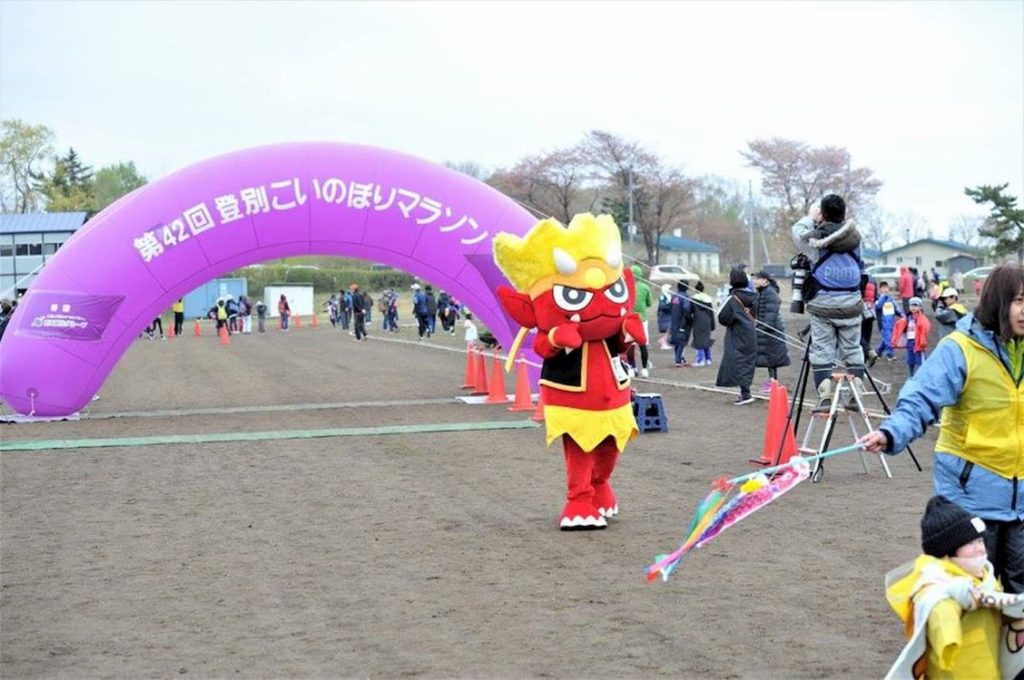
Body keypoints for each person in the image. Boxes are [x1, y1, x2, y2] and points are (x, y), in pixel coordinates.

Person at [861, 263, 1024, 595]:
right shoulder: (959, 349)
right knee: (972, 588)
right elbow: (921, 397)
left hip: (1021, 497)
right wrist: (891, 432)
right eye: (1020, 300)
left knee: (1019, 593)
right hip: (971, 493)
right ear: (998, 301)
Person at [884, 496, 1009, 680]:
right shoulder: (936, 587)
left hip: (988, 667)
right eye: (970, 544)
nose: (980, 548)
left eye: (980, 541)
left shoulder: (984, 576)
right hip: (954, 670)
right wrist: (947, 639)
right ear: (947, 550)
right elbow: (939, 611)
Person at [791, 194, 867, 409]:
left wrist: (810, 217)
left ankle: (824, 397)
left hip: (823, 305)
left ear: (822, 214)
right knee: (852, 348)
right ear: (844, 214)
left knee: (822, 350)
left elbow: (797, 233)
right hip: (852, 304)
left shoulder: (814, 241)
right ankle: (855, 395)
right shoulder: (856, 239)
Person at [716, 268, 757, 405]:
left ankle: (746, 394)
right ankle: (745, 393)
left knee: (739, 362)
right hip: (751, 333)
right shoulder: (754, 296)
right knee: (746, 362)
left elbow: (722, 318)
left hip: (738, 334)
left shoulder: (733, 299)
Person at [752, 270, 791, 391]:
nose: (754, 281)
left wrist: (764, 327)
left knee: (772, 358)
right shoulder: (762, 292)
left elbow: (771, 312)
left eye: (757, 278)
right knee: (769, 358)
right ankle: (772, 381)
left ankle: (773, 383)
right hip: (766, 329)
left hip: (772, 331)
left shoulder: (769, 292)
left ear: (765, 280)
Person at [893, 297, 931, 378]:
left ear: (920, 307)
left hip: (918, 342)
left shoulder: (921, 319)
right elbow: (900, 326)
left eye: (916, 305)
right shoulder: (907, 318)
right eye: (912, 305)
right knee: (910, 360)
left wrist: (922, 341)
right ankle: (911, 376)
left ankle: (920, 376)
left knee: (919, 360)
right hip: (909, 342)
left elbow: (925, 328)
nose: (913, 308)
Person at [627, 264, 654, 377]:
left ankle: (632, 369)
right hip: (642, 319)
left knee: (630, 346)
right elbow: (649, 303)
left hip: (629, 320)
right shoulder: (645, 287)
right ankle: (644, 369)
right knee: (643, 344)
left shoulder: (626, 287)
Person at [873, 281, 903, 363]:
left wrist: (902, 315)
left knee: (886, 339)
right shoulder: (878, 299)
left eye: (886, 288)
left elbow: (896, 309)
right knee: (888, 339)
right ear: (880, 289)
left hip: (891, 323)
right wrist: (883, 297)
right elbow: (878, 306)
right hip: (883, 324)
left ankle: (877, 352)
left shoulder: (891, 299)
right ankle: (890, 355)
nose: (885, 289)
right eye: (883, 288)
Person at [668, 281, 694, 367]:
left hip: (674, 321)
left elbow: (670, 307)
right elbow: (686, 309)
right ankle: (678, 360)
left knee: (676, 340)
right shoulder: (686, 297)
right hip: (683, 322)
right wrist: (690, 318)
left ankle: (680, 358)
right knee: (681, 342)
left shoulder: (674, 296)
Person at [690, 281, 715, 367]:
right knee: (706, 340)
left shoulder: (693, 299)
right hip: (707, 321)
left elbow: (689, 311)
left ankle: (700, 360)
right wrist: (712, 325)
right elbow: (711, 313)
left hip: (698, 321)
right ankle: (708, 359)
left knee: (699, 341)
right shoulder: (708, 299)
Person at [656, 283, 673, 350]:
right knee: (668, 328)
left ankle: (662, 340)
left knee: (670, 329)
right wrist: (670, 305)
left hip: (669, 315)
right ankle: (663, 342)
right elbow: (663, 306)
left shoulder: (669, 296)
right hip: (663, 315)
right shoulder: (662, 297)